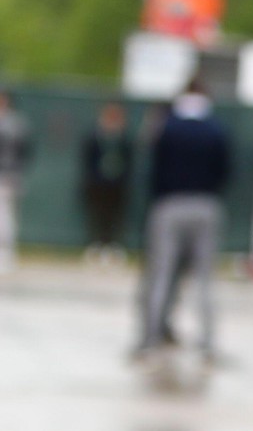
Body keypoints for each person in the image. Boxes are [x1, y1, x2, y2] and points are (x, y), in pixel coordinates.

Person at [135, 78, 231, 360]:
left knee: (161, 273)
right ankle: (208, 340)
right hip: (206, 204)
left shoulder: (168, 127)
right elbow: (225, 169)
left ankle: (150, 336)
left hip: (169, 203)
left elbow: (153, 163)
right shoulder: (216, 129)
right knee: (205, 277)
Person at [81, 101, 135, 262]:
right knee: (98, 215)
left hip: (117, 185)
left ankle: (113, 246)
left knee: (116, 216)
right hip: (98, 184)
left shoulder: (124, 138)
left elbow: (129, 161)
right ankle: (96, 245)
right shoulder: (95, 136)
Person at [0, 89, 32, 273]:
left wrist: (16, 172)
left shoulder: (15, 124)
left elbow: (24, 151)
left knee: (5, 216)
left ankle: (6, 253)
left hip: (8, 176)